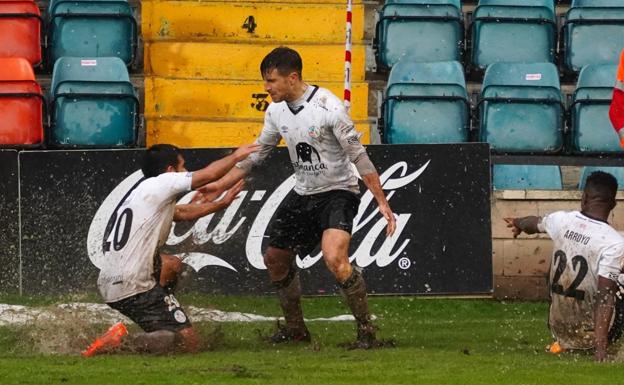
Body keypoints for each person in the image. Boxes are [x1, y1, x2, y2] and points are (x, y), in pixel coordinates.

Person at [199, 47, 397, 348]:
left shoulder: (329, 108)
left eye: (272, 81)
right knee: (275, 259)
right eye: (265, 81)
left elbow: (360, 156)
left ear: (293, 78)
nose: (267, 88)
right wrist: (220, 183)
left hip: (338, 192)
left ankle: (366, 330)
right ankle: (296, 331)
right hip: (304, 192)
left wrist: (381, 201)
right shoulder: (275, 111)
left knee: (334, 258)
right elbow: (257, 155)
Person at [84, 143, 259, 356]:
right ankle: (121, 342)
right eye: (182, 166)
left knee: (171, 265)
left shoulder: (144, 191)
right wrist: (237, 156)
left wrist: (220, 205)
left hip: (111, 281)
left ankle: (163, 320)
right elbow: (209, 174)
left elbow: (181, 213)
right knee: (187, 343)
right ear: (169, 170)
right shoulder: (164, 182)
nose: (186, 171)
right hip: (133, 283)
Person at [504, 171, 624, 361]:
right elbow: (605, 297)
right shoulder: (614, 243)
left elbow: (532, 223)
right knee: (619, 278)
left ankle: (562, 343)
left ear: (584, 198)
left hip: (558, 329)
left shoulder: (561, 220)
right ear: (613, 205)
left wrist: (517, 222)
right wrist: (600, 350)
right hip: (591, 337)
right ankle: (602, 345)